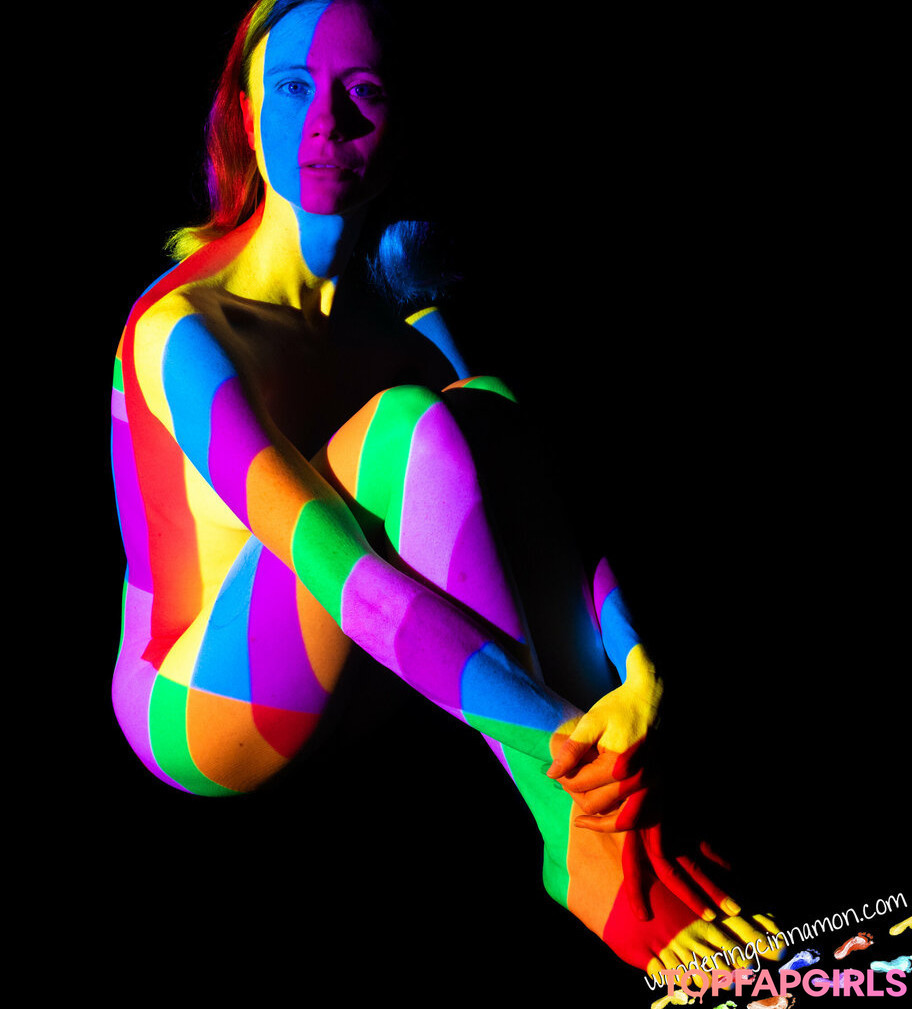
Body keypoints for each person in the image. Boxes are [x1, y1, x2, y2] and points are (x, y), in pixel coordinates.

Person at [109, 0, 782, 978]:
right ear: (245, 113)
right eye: (292, 88)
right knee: (407, 428)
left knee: (479, 403)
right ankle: (586, 846)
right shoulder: (185, 332)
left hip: (358, 676)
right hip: (202, 706)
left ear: (400, 122)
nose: (326, 125)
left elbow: (529, 481)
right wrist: (571, 748)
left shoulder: (390, 325)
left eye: (363, 92)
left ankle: (617, 819)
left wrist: (639, 669)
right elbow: (333, 567)